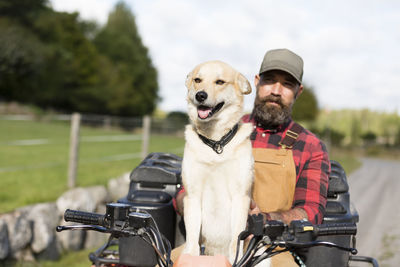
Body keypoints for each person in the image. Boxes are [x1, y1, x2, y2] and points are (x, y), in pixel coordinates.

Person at [174, 48, 330, 266]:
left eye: (287, 84)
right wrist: (188, 200)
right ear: (256, 82)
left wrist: (261, 220)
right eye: (269, 80)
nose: (276, 90)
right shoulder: (221, 127)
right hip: (205, 247)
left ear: (298, 91)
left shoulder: (310, 146)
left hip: (272, 249)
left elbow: (311, 213)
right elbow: (184, 194)